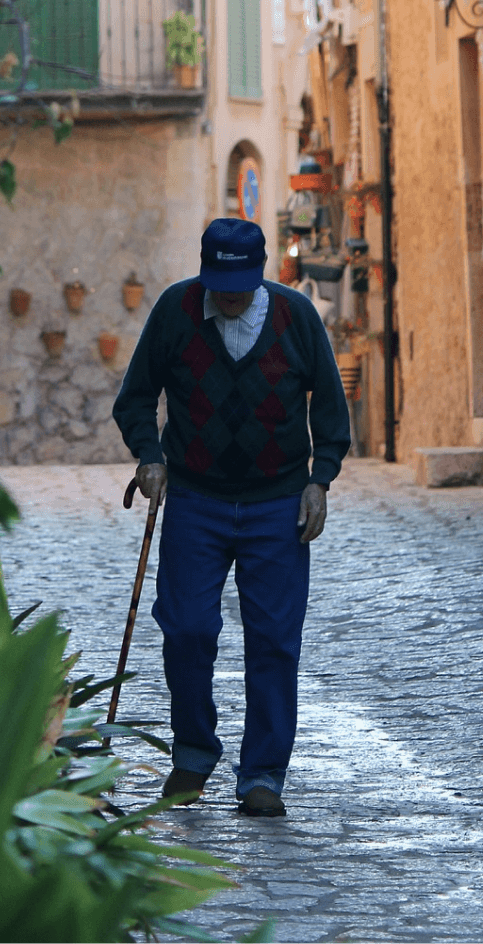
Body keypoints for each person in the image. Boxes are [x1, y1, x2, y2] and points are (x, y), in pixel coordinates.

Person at [113, 217, 350, 817]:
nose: (231, 294)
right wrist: (150, 456)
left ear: (260, 271)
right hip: (196, 498)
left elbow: (329, 402)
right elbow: (136, 397)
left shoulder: (295, 317)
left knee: (274, 640)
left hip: (278, 501)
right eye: (221, 282)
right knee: (187, 628)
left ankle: (263, 774)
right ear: (205, 272)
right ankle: (193, 754)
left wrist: (320, 480)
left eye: (240, 282)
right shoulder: (176, 310)